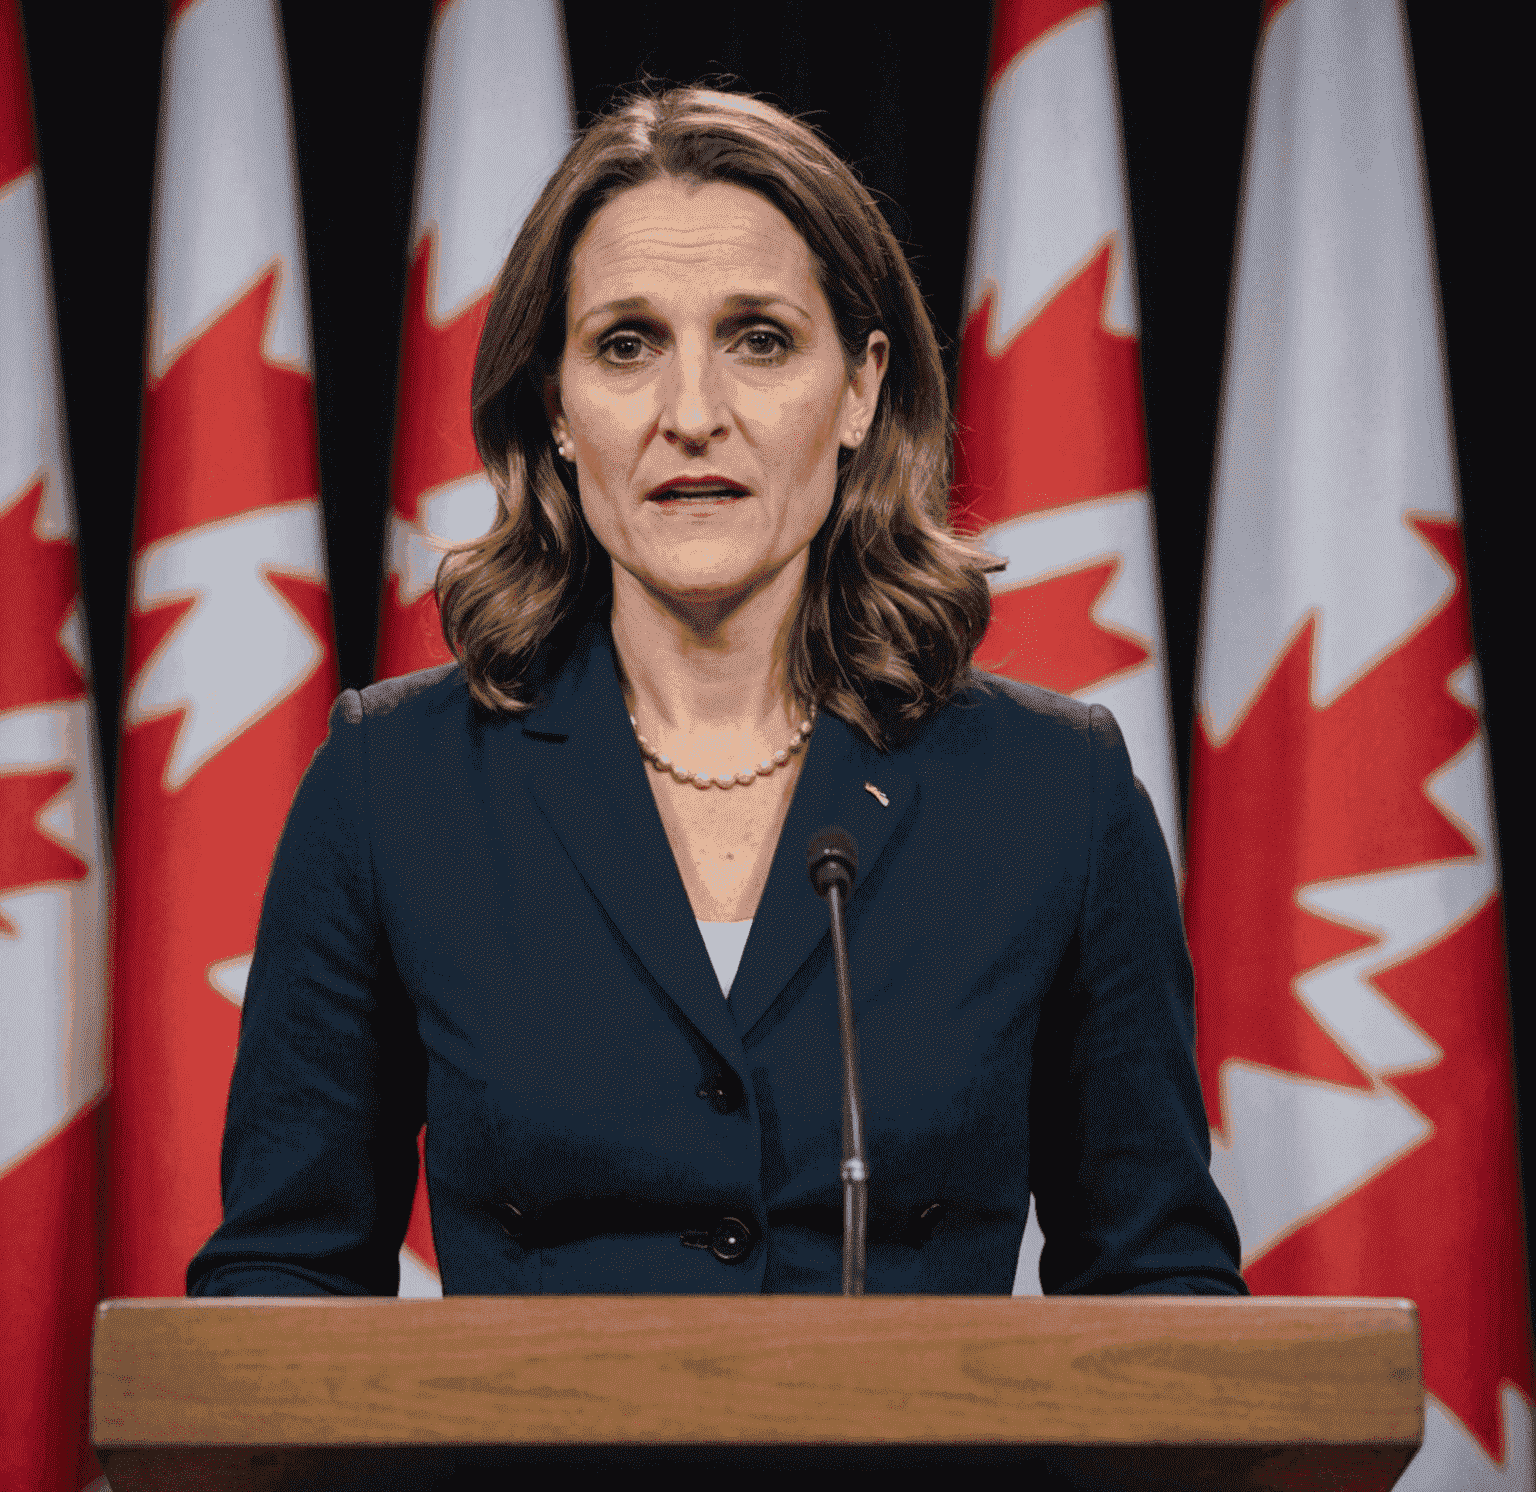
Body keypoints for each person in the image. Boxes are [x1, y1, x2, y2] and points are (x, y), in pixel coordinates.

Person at [187, 86, 1244, 1299]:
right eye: (627, 345)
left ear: (858, 391)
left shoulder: (1054, 794)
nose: (692, 416)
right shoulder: (392, 787)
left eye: (760, 339)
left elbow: (1162, 1291)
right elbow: (280, 1287)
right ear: (558, 409)